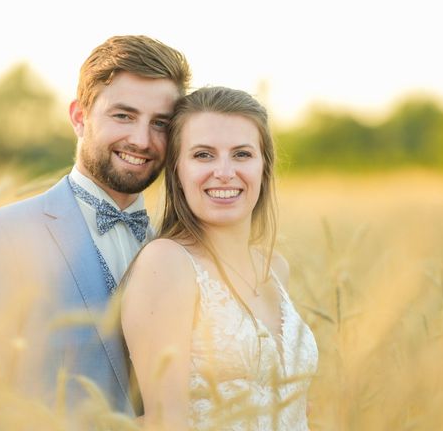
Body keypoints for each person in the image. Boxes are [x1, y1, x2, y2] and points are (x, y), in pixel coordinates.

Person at [0, 35, 191, 424]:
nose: (141, 139)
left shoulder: (175, 251)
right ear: (79, 116)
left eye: (160, 124)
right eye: (123, 115)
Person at [121, 87, 318, 430]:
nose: (225, 172)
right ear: (177, 172)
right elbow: (166, 423)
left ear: (264, 167)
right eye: (203, 155)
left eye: (242, 154)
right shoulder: (167, 263)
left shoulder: (274, 268)